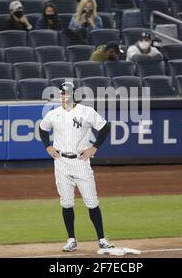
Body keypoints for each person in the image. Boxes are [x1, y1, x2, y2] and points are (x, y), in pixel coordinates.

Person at [39, 82, 114, 252]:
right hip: (61, 163)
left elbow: (105, 128)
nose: (64, 96)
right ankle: (71, 239)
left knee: (92, 202)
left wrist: (94, 148)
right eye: (62, 93)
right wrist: (47, 146)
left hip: (81, 162)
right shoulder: (53, 114)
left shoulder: (86, 112)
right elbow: (42, 129)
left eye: (67, 93)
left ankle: (102, 239)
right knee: (66, 203)